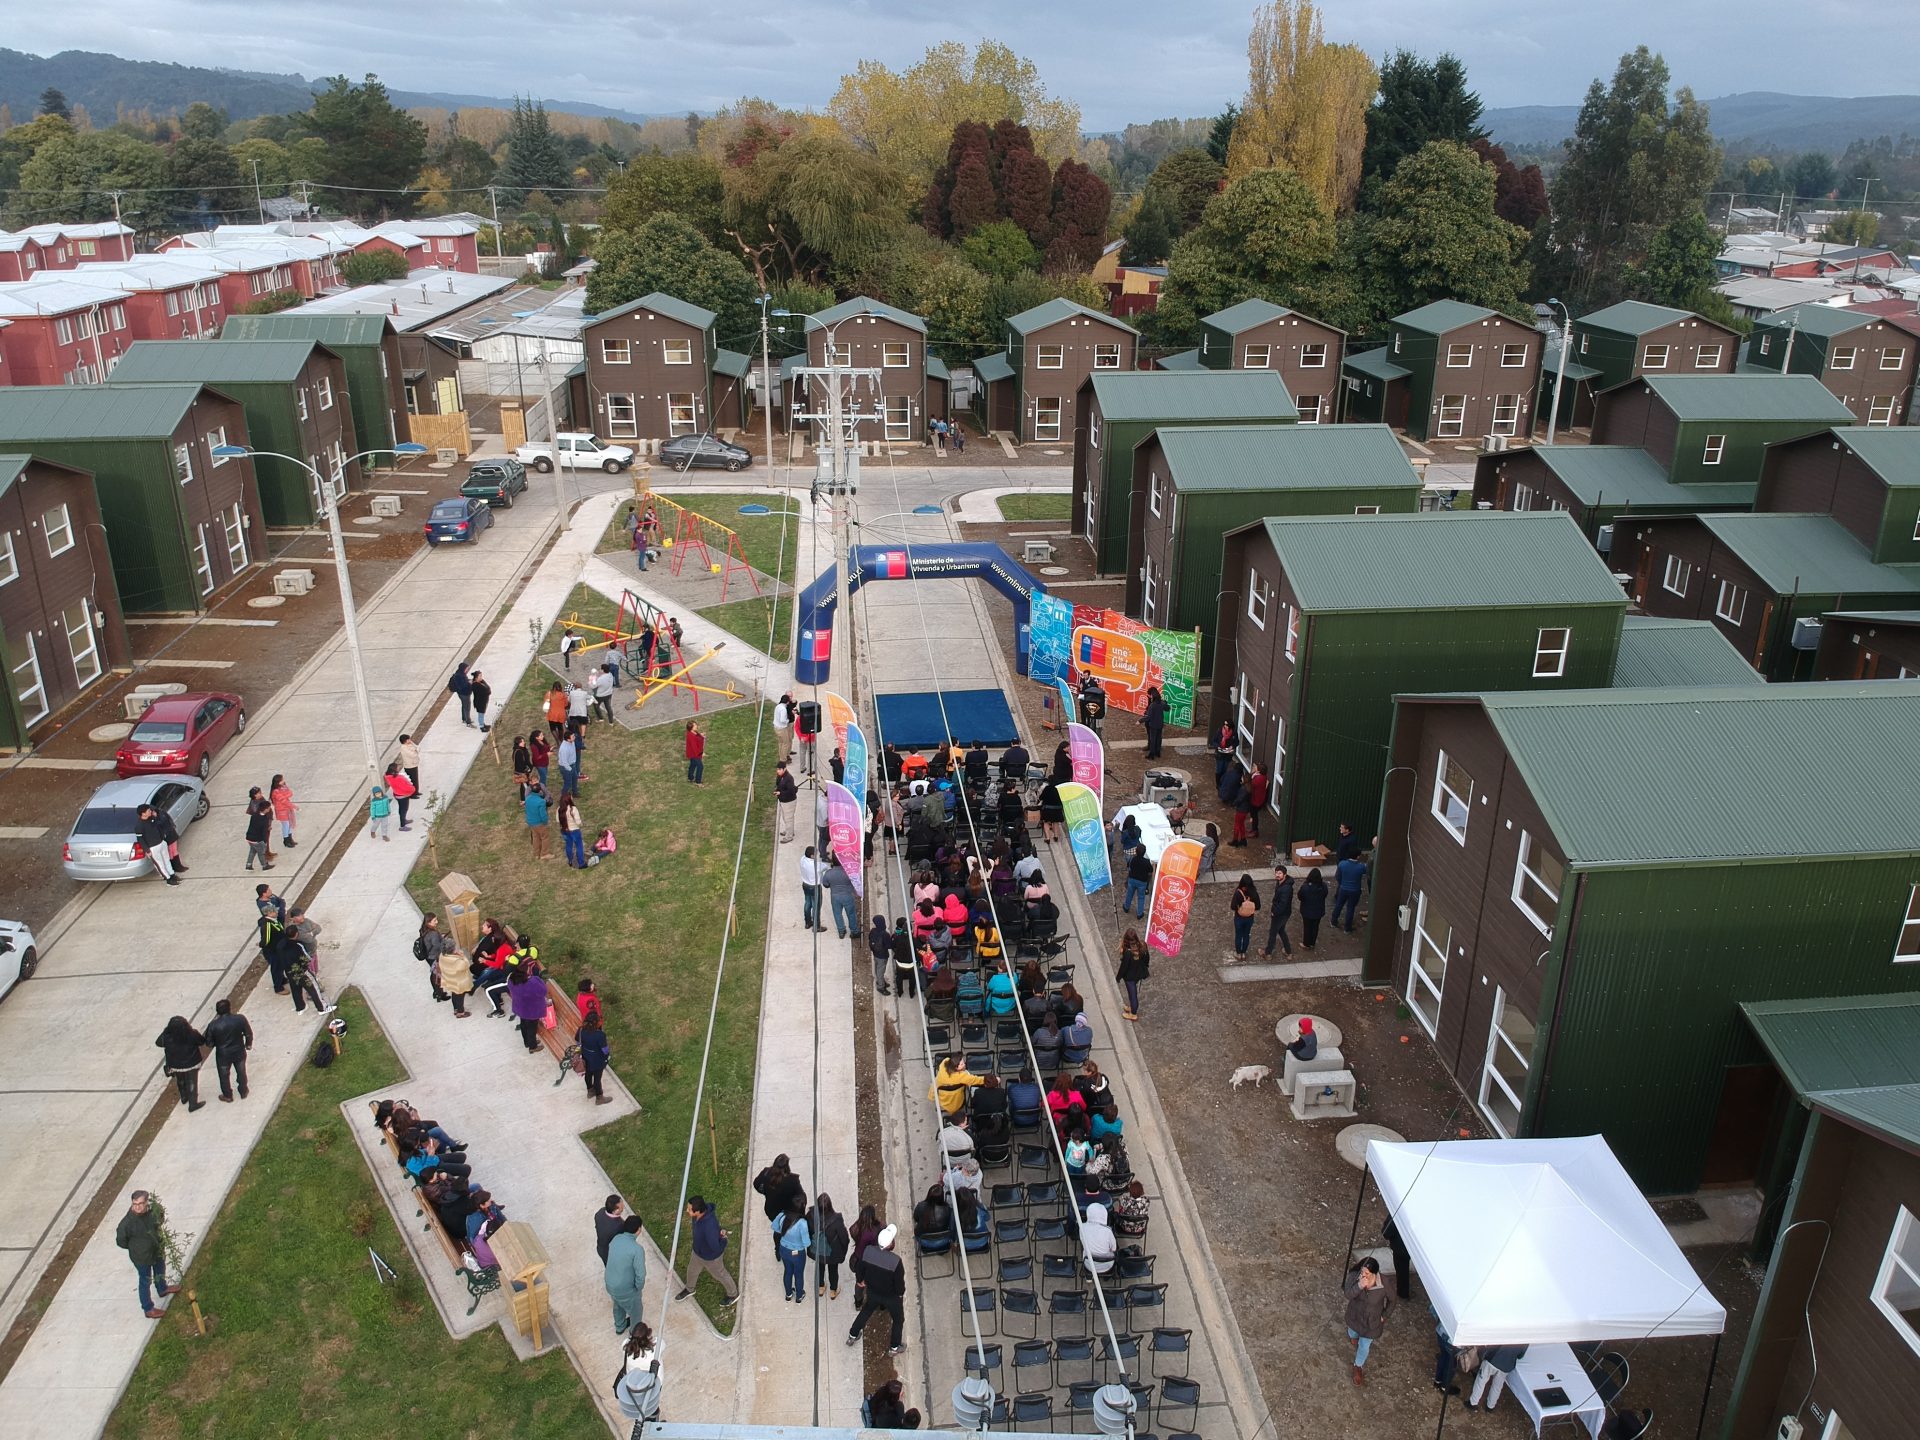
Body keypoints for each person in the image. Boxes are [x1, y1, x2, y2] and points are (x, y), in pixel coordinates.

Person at [845, 1224, 906, 1354]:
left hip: (873, 1291)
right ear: (890, 1245)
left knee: (866, 1311)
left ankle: (853, 1335)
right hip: (891, 1296)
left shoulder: (868, 1251)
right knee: (898, 1319)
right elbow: (899, 1283)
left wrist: (860, 1280)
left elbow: (860, 1268)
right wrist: (900, 1294)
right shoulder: (895, 1261)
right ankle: (894, 1347)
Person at [115, 1190, 177, 1319]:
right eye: (135, 1204)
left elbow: (160, 1217)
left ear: (147, 1202)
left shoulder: (154, 1210)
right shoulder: (126, 1224)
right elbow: (121, 1241)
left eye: (141, 1203)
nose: (137, 1207)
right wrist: (138, 1248)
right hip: (142, 1257)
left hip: (157, 1249)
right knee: (145, 1281)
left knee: (160, 1269)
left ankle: (162, 1288)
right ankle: (148, 1308)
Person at [678, 1195, 740, 1304]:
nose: (687, 1210)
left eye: (689, 1209)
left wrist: (723, 1240)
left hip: (711, 1258)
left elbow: (715, 1247)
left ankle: (733, 1294)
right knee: (692, 1271)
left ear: (698, 1211)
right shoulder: (698, 1216)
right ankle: (689, 1289)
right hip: (697, 1252)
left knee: (720, 1274)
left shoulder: (708, 1226)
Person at [1344, 1255, 1390, 1385]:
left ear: (1374, 1273)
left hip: (1371, 1322)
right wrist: (1359, 1285)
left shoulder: (1384, 1283)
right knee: (1352, 1332)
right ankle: (1353, 1336)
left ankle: (1358, 1366)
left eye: (1367, 1273)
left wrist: (1385, 1315)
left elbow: (1393, 1300)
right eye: (1362, 1271)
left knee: (1364, 1345)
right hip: (1355, 1316)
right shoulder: (1354, 1276)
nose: (1363, 1274)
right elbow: (1348, 1294)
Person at [604, 1214, 648, 1333]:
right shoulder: (637, 1249)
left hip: (610, 1284)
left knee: (618, 1304)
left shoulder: (616, 1239)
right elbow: (641, 1274)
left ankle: (620, 1326)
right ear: (639, 1230)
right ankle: (634, 1334)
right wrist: (638, 1288)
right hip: (626, 1289)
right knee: (636, 1312)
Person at [154, 1015, 207, 1111]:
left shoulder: (167, 1037)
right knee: (192, 1082)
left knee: (180, 1080)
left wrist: (165, 1031)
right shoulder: (192, 1034)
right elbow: (202, 1041)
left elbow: (158, 1043)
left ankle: (184, 1097)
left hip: (175, 1064)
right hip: (192, 1063)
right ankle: (193, 1104)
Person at [205, 998, 252, 1102]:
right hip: (238, 1050)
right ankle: (243, 1091)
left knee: (224, 1075)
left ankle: (227, 1095)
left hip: (223, 1054)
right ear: (229, 1008)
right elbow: (248, 1033)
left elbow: (209, 1043)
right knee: (241, 1071)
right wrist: (248, 1044)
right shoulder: (240, 1019)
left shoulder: (213, 1025)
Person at [753, 1155, 805, 1247]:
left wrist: (765, 1192)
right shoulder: (792, 1180)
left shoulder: (766, 1173)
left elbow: (756, 1184)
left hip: (772, 1211)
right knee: (787, 1228)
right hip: (788, 1211)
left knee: (778, 1229)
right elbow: (801, 1196)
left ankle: (778, 1248)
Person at [811, 1192, 851, 1298]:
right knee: (833, 1271)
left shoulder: (811, 1215)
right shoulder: (837, 1220)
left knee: (820, 1267)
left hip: (818, 1250)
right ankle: (833, 1291)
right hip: (832, 1253)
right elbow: (844, 1239)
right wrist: (843, 1250)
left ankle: (821, 1287)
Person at [775, 1195, 811, 1302]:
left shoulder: (782, 1216)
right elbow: (806, 1243)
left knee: (788, 1271)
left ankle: (788, 1294)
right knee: (798, 1274)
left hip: (784, 1250)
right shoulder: (802, 1224)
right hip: (797, 1254)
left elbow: (775, 1228)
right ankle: (799, 1296)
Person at [1470, 1343, 1526, 1410]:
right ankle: (1490, 1406)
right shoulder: (1527, 1338)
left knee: (1481, 1381)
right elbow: (1520, 1356)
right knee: (1497, 1387)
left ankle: (1473, 1403)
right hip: (1507, 1365)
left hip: (1493, 1360)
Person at [509, 965, 548, 1054]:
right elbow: (543, 991)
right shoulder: (533, 982)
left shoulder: (512, 979)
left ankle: (527, 1042)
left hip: (520, 1008)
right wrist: (538, 979)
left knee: (523, 1025)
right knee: (531, 1028)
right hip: (532, 1010)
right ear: (526, 972)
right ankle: (532, 1047)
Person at [1115, 928, 1150, 1020]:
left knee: (1132, 994)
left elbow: (1124, 967)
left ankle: (1133, 1013)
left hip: (1130, 976)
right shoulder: (1143, 945)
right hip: (1139, 973)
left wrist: (1118, 977)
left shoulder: (1128, 953)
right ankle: (1132, 1007)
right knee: (1133, 992)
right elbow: (1147, 959)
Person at [1262, 866, 1295, 959]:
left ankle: (1268, 953)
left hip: (1280, 914)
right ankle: (1288, 951)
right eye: (1276, 872)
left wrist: (1274, 912)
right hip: (1285, 913)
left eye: (1280, 873)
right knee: (1281, 930)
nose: (1277, 875)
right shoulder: (1281, 883)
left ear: (1285, 874)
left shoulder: (1286, 888)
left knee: (1273, 932)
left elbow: (1283, 904)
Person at [579, 1009, 611, 1104]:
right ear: (596, 1022)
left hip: (586, 1056)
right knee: (597, 1079)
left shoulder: (581, 1030)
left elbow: (577, 1041)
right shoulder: (600, 1035)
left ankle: (590, 1091)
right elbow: (604, 1050)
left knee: (588, 1074)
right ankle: (599, 1098)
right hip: (597, 1059)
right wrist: (607, 1055)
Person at [825, 855, 859, 940]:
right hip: (847, 895)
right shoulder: (848, 872)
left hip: (835, 896)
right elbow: (855, 881)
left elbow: (825, 884)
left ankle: (841, 931)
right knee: (851, 914)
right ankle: (854, 931)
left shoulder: (828, 873)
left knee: (837, 914)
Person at [1333, 851, 1367, 933]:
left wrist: (1342, 884)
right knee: (1350, 908)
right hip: (1355, 890)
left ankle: (1333, 921)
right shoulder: (1361, 867)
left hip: (1343, 889)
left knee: (1339, 905)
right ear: (1358, 857)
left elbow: (1337, 876)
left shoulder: (1342, 864)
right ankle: (1347, 927)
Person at [1081, 1201, 1118, 1275]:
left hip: (1089, 1265)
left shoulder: (1082, 1227)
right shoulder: (1108, 1231)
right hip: (1107, 1265)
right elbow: (1114, 1248)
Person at [1229, 874, 1260, 959]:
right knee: (1246, 935)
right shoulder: (1254, 892)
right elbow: (1258, 906)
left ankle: (1238, 953)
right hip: (1249, 918)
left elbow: (1232, 906)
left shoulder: (1238, 893)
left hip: (1239, 918)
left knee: (1238, 935)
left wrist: (1239, 907)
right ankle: (1244, 953)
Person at [1298, 867, 1329, 949]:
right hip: (1319, 910)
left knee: (1307, 927)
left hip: (1307, 911)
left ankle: (1306, 943)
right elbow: (1325, 895)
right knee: (1315, 927)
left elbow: (1300, 896)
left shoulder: (1305, 887)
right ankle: (1312, 942)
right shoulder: (1323, 886)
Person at [798, 846, 826, 931]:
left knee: (807, 903)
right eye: (815, 854)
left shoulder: (802, 859)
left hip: (805, 885)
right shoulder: (816, 865)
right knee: (816, 907)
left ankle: (807, 922)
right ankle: (816, 926)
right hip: (815, 887)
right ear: (812, 856)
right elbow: (826, 867)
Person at [595, 1195, 628, 1265]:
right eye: (621, 1205)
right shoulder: (619, 1226)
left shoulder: (600, 1212)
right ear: (616, 1211)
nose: (623, 1205)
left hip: (601, 1249)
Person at [243, 796, 273, 871]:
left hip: (249, 837)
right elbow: (263, 832)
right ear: (265, 809)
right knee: (261, 852)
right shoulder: (264, 820)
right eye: (269, 808)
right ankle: (264, 865)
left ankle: (248, 864)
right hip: (257, 839)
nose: (269, 809)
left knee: (252, 851)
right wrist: (264, 841)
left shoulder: (254, 815)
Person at [1122, 845, 1153, 919]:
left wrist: (1127, 880)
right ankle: (1139, 913)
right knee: (1141, 898)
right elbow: (1150, 872)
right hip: (1142, 882)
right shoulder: (1147, 862)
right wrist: (1147, 884)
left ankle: (1126, 907)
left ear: (1136, 851)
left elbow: (1130, 870)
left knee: (1129, 894)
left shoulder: (1133, 859)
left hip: (1132, 880)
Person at [559, 790, 588, 869]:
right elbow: (578, 822)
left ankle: (570, 861)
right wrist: (581, 824)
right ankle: (581, 863)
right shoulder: (573, 809)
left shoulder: (559, 809)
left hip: (565, 831)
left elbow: (558, 820)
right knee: (579, 846)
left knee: (568, 845)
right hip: (574, 830)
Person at [269, 773, 298, 848]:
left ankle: (290, 839)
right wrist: (294, 806)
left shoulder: (282, 787)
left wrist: (285, 794)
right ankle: (286, 840)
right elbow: (284, 801)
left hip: (287, 809)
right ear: (278, 782)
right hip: (282, 811)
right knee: (286, 825)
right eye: (282, 780)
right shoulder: (275, 791)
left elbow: (290, 793)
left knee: (290, 824)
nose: (284, 781)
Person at [524, 781, 551, 860]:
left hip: (531, 822)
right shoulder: (541, 801)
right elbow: (543, 814)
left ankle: (536, 854)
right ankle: (544, 854)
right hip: (539, 823)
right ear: (540, 791)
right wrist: (545, 822)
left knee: (535, 837)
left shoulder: (528, 799)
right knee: (544, 837)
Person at [867, 914, 892, 996]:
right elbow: (889, 946)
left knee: (877, 967)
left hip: (875, 953)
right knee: (881, 970)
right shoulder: (885, 934)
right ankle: (881, 987)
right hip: (883, 955)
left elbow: (869, 938)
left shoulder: (873, 931)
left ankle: (880, 980)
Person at [775, 762, 798, 842]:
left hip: (789, 801)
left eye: (779, 769)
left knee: (788, 819)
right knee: (785, 818)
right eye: (777, 769)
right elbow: (779, 785)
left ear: (784, 769)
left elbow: (791, 791)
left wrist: (780, 793)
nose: (778, 771)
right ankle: (789, 831)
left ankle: (789, 836)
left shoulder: (789, 778)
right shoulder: (780, 776)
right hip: (783, 801)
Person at [1142, 685, 1165, 759]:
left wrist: (1141, 720)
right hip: (1158, 722)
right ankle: (1155, 749)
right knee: (1156, 737)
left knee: (1153, 737)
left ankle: (1152, 751)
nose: (1148, 696)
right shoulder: (1159, 702)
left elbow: (1149, 713)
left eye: (1149, 695)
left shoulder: (1154, 703)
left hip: (1152, 722)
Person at [1212, 718, 1237, 786]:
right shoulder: (1219, 731)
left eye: (1226, 724)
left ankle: (1222, 782)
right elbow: (1214, 741)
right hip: (1219, 754)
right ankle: (1218, 784)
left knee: (1225, 770)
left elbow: (1236, 742)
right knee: (1219, 770)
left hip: (1228, 755)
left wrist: (1232, 747)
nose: (1224, 726)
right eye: (1224, 724)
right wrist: (1218, 747)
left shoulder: (1233, 733)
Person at [772, 694, 793, 765]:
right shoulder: (783, 709)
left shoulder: (778, 706)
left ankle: (781, 756)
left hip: (776, 727)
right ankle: (783, 759)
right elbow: (783, 720)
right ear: (787, 702)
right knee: (785, 743)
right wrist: (787, 720)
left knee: (780, 743)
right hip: (782, 729)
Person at [685, 720, 705, 785]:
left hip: (694, 754)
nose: (696, 726)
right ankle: (698, 782)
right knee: (700, 766)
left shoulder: (693, 732)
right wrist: (701, 753)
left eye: (696, 724)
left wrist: (701, 735)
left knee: (693, 765)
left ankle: (690, 777)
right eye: (695, 725)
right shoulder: (691, 736)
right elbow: (694, 748)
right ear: (691, 728)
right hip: (694, 754)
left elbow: (697, 736)